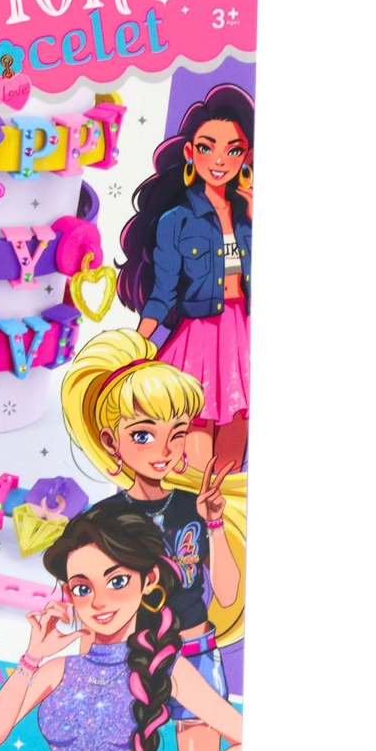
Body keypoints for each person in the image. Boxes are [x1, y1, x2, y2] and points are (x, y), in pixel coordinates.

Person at [60, 327, 244, 751]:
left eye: (177, 434)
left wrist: (215, 524)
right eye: (143, 435)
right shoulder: (101, 520)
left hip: (196, 651)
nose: (164, 450)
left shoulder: (196, 507)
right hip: (128, 659)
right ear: (111, 442)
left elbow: (226, 594)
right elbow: (87, 605)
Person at [0, 507, 242, 751]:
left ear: (149, 580)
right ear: (69, 594)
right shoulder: (59, 670)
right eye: (82, 588)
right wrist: (32, 657)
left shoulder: (163, 666)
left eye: (117, 582)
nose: (98, 602)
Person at [117, 83, 254, 472]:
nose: (220, 160)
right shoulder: (175, 221)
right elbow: (162, 294)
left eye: (233, 150)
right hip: (200, 338)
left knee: (232, 458)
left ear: (247, 156)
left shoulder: (249, 219)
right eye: (208, 147)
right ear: (191, 152)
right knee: (194, 449)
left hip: (244, 338)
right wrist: (136, 345)